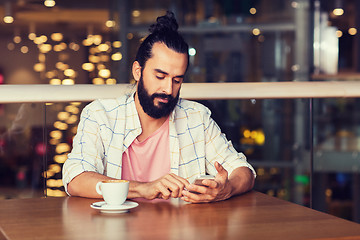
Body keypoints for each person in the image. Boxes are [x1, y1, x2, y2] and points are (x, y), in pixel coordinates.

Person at [62, 11, 256, 203]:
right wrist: (142, 188)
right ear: (138, 71)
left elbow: (243, 171)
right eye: (160, 76)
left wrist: (227, 189)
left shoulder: (197, 118)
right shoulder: (100, 115)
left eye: (177, 80)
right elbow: (75, 178)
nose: (168, 89)